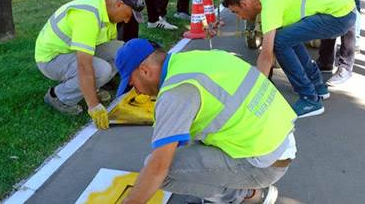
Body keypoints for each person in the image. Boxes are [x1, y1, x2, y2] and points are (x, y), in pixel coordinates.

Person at [115, 39, 295, 204]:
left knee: (161, 173)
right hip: (280, 142)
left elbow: (158, 167)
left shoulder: (176, 92)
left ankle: (246, 196)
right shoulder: (195, 59)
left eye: (132, 84)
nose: (136, 92)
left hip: (264, 165)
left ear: (145, 71)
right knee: (186, 135)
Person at [222, 0, 356, 118]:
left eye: (236, 12)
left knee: (279, 41)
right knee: (286, 37)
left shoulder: (270, 6)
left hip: (338, 17)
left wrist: (256, 91)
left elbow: (267, 54)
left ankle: (309, 99)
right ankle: (317, 86)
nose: (239, 17)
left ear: (244, 3)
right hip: (343, 12)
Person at [35, 0, 145, 130]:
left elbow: (108, 48)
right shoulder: (88, 17)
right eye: (128, 15)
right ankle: (59, 97)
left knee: (122, 51)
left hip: (71, 51)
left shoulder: (107, 12)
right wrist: (94, 106)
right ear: (119, 4)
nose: (126, 21)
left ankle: (90, 88)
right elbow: (84, 66)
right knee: (102, 70)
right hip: (52, 59)